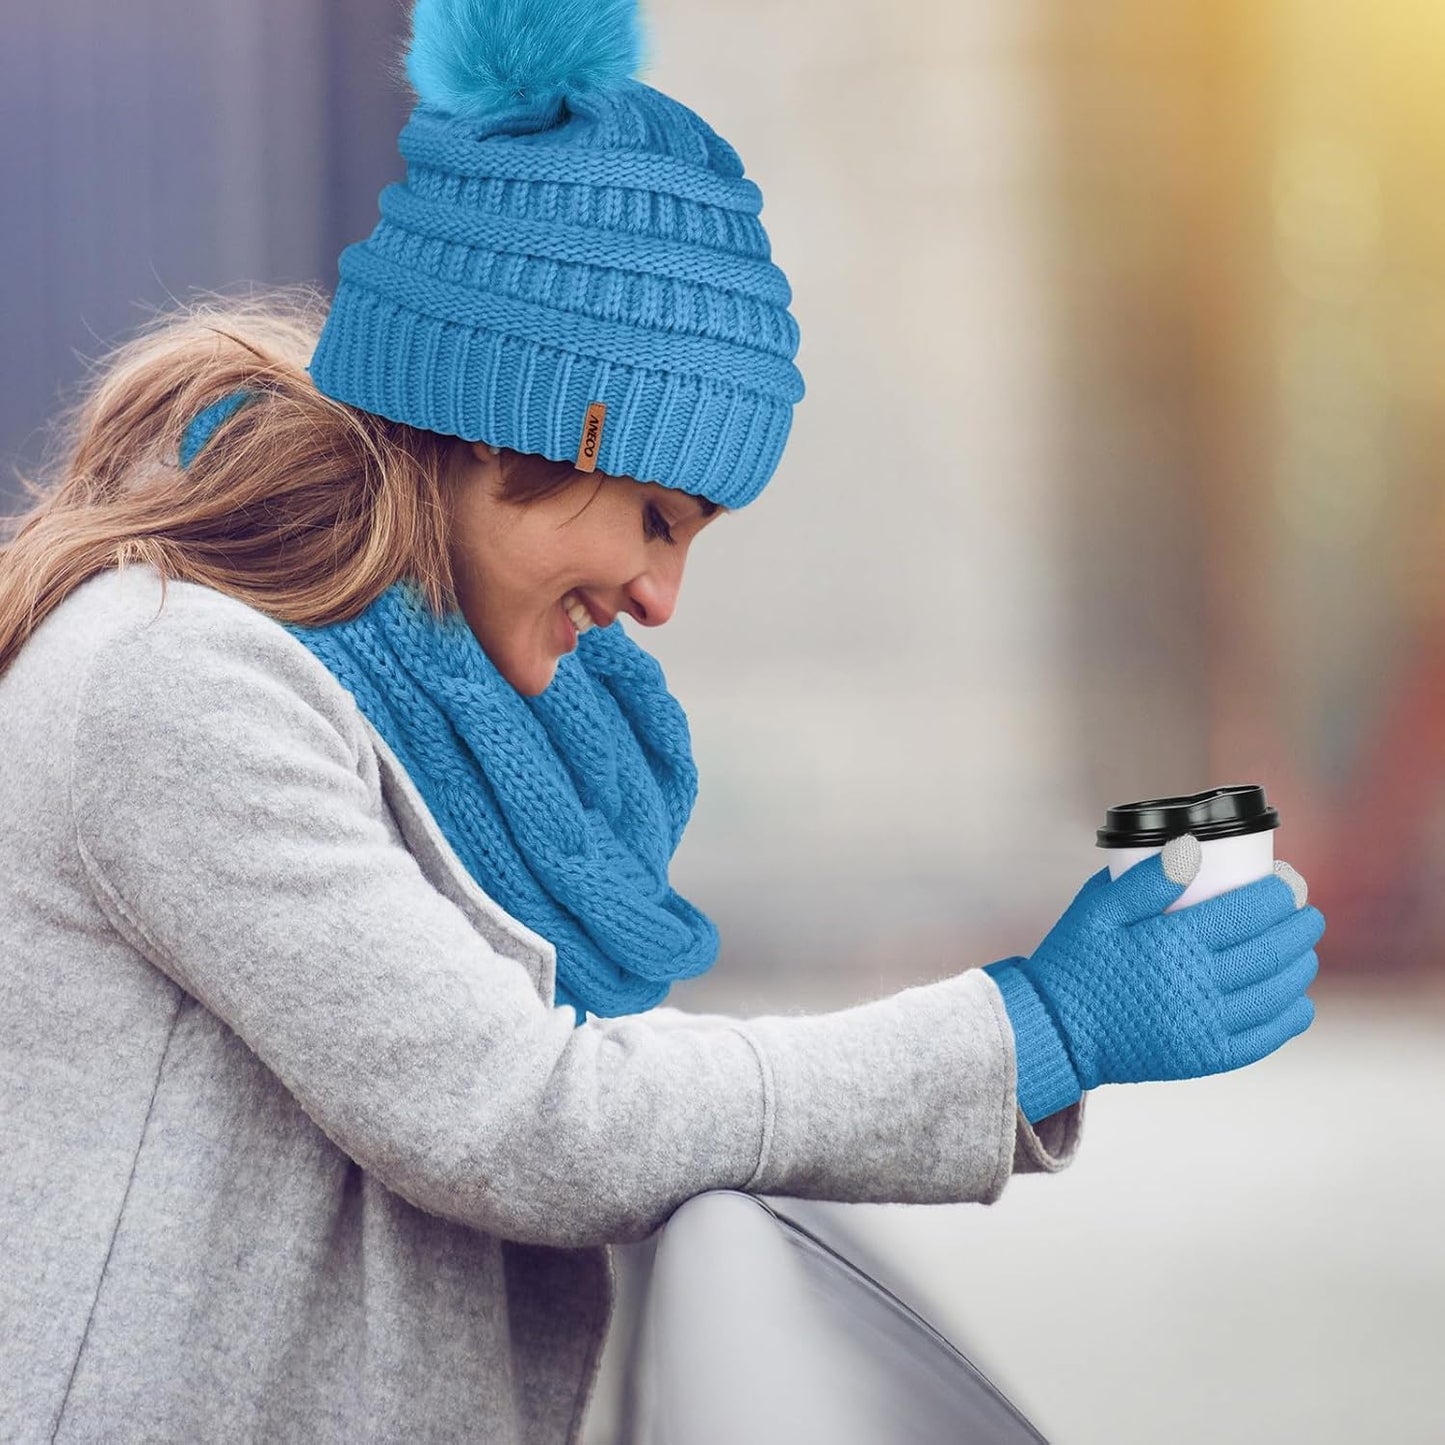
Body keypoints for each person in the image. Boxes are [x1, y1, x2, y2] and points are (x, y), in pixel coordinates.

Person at [0, 1, 1323, 1440]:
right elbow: (516, 1115)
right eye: (653, 515)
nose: (659, 594)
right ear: (526, 425)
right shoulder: (177, 682)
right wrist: (1030, 1027)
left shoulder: (386, 699)